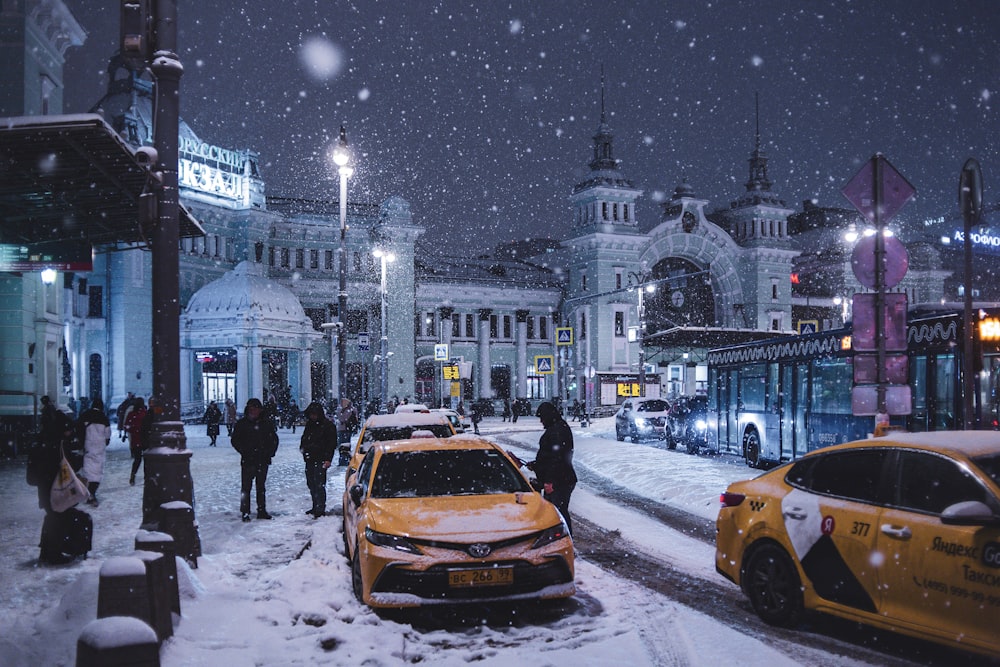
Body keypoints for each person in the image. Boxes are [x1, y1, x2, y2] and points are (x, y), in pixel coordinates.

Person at [29, 408, 78, 564]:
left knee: (52, 517)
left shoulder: (43, 439)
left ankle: (46, 550)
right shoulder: (56, 445)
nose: (69, 434)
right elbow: (65, 466)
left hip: (45, 487)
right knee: (58, 518)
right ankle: (53, 553)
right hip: (54, 488)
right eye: (68, 431)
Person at [528, 401, 577, 535]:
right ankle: (559, 539)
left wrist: (550, 481)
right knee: (554, 513)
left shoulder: (557, 430)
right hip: (561, 479)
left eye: (542, 418)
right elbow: (551, 457)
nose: (541, 421)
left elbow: (557, 459)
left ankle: (564, 539)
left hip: (559, 481)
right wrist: (537, 465)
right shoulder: (557, 428)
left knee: (557, 514)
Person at [230, 398, 279, 521]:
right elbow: (235, 440)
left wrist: (270, 452)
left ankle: (261, 510)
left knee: (260, 486)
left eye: (256, 409)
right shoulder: (242, 424)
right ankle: (245, 511)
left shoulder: (266, 423)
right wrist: (244, 451)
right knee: (246, 487)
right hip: (248, 460)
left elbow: (274, 439)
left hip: (262, 459)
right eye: (252, 409)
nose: (254, 411)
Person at [299, 401, 337, 518]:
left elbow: (331, 444)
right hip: (310, 458)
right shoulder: (310, 425)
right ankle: (316, 505)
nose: (313, 417)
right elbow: (305, 439)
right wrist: (304, 450)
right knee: (312, 483)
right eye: (311, 414)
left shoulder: (327, 426)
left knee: (319, 484)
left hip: (320, 458)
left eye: (314, 414)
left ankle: (320, 507)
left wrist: (328, 459)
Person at [77, 397, 111, 506]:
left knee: (87, 470)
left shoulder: (85, 415)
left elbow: (78, 429)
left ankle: (88, 492)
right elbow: (107, 435)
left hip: (87, 446)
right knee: (97, 471)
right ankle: (92, 492)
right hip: (99, 447)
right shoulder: (104, 418)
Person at [125, 397, 147, 486]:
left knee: (137, 460)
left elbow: (127, 426)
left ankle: (133, 476)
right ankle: (146, 476)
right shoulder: (145, 413)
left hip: (136, 439)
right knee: (146, 459)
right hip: (145, 439)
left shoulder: (131, 414)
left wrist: (132, 430)